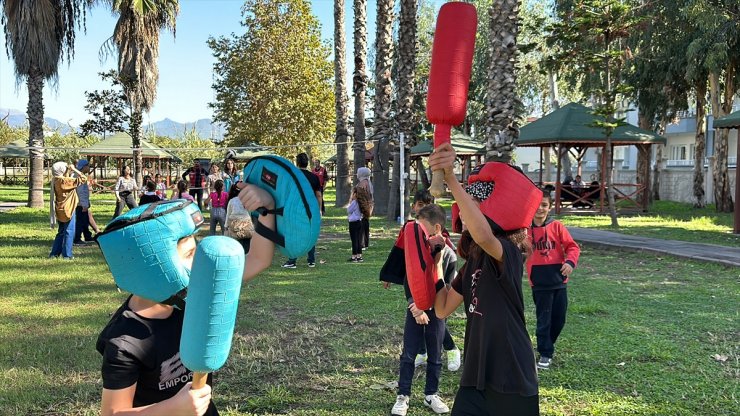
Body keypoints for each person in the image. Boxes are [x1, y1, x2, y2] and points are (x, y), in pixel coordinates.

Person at [96, 183, 277, 416]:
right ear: (155, 269)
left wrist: (267, 208)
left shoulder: (198, 292)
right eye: (191, 255)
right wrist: (173, 409)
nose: (200, 262)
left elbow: (259, 259)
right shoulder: (125, 342)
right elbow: (112, 413)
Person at [429, 143, 539, 416]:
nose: (462, 212)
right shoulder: (470, 267)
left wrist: (451, 178)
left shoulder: (508, 255)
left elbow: (484, 236)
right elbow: (441, 308)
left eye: (472, 207)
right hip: (475, 379)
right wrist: (435, 260)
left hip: (512, 377)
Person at [390, 204, 455, 416]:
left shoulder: (449, 256)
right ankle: (403, 395)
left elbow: (446, 288)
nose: (417, 232)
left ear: (436, 228)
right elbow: (409, 279)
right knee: (409, 354)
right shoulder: (414, 247)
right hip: (415, 309)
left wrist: (437, 261)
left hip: (436, 312)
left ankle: (431, 395)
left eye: (422, 228)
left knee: (435, 355)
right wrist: (416, 307)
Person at [527, 190, 580, 370]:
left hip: (558, 280)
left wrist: (570, 262)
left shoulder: (557, 227)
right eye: (537, 205)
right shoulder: (524, 230)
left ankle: (547, 344)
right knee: (544, 319)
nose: (540, 208)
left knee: (559, 319)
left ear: (549, 208)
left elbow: (572, 247)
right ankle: (545, 352)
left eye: (544, 205)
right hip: (539, 283)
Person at [281, 153, 322, 269]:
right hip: (311, 209)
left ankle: (292, 261)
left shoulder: (293, 176)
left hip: (296, 209)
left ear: (297, 162)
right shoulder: (314, 177)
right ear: (307, 163)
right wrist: (319, 209)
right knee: (310, 232)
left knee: (294, 234)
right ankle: (311, 260)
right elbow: (318, 195)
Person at [50, 161, 87, 259]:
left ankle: (54, 253)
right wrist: (74, 169)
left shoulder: (55, 180)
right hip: (68, 209)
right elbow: (83, 178)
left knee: (61, 231)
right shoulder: (66, 181)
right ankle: (67, 255)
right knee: (69, 231)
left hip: (59, 208)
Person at [73, 159, 95, 245]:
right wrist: (84, 205)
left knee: (85, 221)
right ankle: (77, 238)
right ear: (84, 167)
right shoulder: (80, 177)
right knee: (80, 222)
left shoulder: (79, 176)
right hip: (80, 204)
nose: (89, 168)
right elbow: (81, 192)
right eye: (88, 166)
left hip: (82, 203)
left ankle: (87, 236)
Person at [347, 186, 372, 263]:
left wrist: (350, 201)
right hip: (360, 222)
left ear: (355, 194)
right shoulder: (361, 203)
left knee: (354, 240)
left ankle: (354, 256)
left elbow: (348, 210)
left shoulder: (354, 202)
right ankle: (359, 256)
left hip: (353, 223)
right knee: (359, 239)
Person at [356, 166, 374, 249]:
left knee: (362, 226)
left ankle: (362, 243)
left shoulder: (363, 183)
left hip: (363, 207)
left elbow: (361, 196)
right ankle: (365, 243)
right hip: (367, 206)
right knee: (365, 225)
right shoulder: (368, 182)